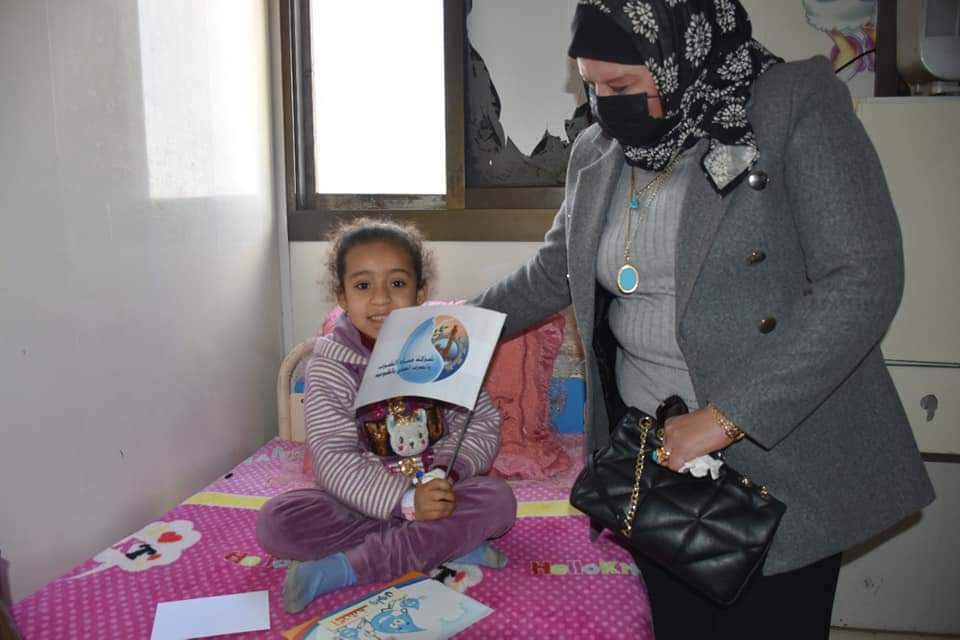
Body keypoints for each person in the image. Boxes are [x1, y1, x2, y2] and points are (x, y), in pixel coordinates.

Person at [470, 1, 934, 637]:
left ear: (679, 53)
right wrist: (447, 329)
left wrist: (721, 420)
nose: (605, 105)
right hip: (652, 461)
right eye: (591, 85)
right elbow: (554, 272)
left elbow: (863, 281)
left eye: (622, 85)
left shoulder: (789, 105)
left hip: (774, 454)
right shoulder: (597, 151)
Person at [257, 218, 515, 614]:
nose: (380, 299)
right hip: (358, 502)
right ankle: (444, 542)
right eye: (363, 286)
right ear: (342, 297)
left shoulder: (444, 351)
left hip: (438, 492)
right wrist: (407, 503)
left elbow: (478, 424)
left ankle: (344, 569)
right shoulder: (329, 366)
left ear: (420, 292)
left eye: (396, 283)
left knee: (498, 502)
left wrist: (446, 474)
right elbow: (333, 458)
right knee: (278, 523)